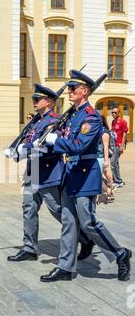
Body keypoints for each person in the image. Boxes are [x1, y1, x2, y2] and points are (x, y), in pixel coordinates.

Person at [40, 70, 132, 282]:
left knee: (88, 222)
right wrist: (44, 144)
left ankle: (120, 254)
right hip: (70, 174)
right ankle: (65, 267)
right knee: (68, 222)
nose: (69, 91)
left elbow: (78, 146)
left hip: (84, 174)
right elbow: (64, 138)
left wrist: (55, 141)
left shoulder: (91, 117)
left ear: (85, 91)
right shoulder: (72, 115)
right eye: (70, 88)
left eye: (73, 88)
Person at [7, 84, 94, 262]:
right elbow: (30, 141)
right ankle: (30, 248)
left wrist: (28, 148)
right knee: (28, 208)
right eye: (34, 99)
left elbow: (52, 145)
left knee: (58, 210)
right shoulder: (36, 121)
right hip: (33, 171)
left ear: (49, 102)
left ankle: (85, 238)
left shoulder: (54, 121)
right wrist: (18, 151)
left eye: (37, 99)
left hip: (49, 172)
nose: (34, 102)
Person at [111, 107, 128, 188]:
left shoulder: (123, 122)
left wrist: (122, 145)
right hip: (113, 145)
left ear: (119, 113)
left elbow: (124, 134)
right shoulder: (113, 121)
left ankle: (118, 181)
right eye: (112, 112)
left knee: (112, 162)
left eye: (115, 112)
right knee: (116, 163)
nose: (113, 114)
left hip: (118, 145)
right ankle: (116, 180)